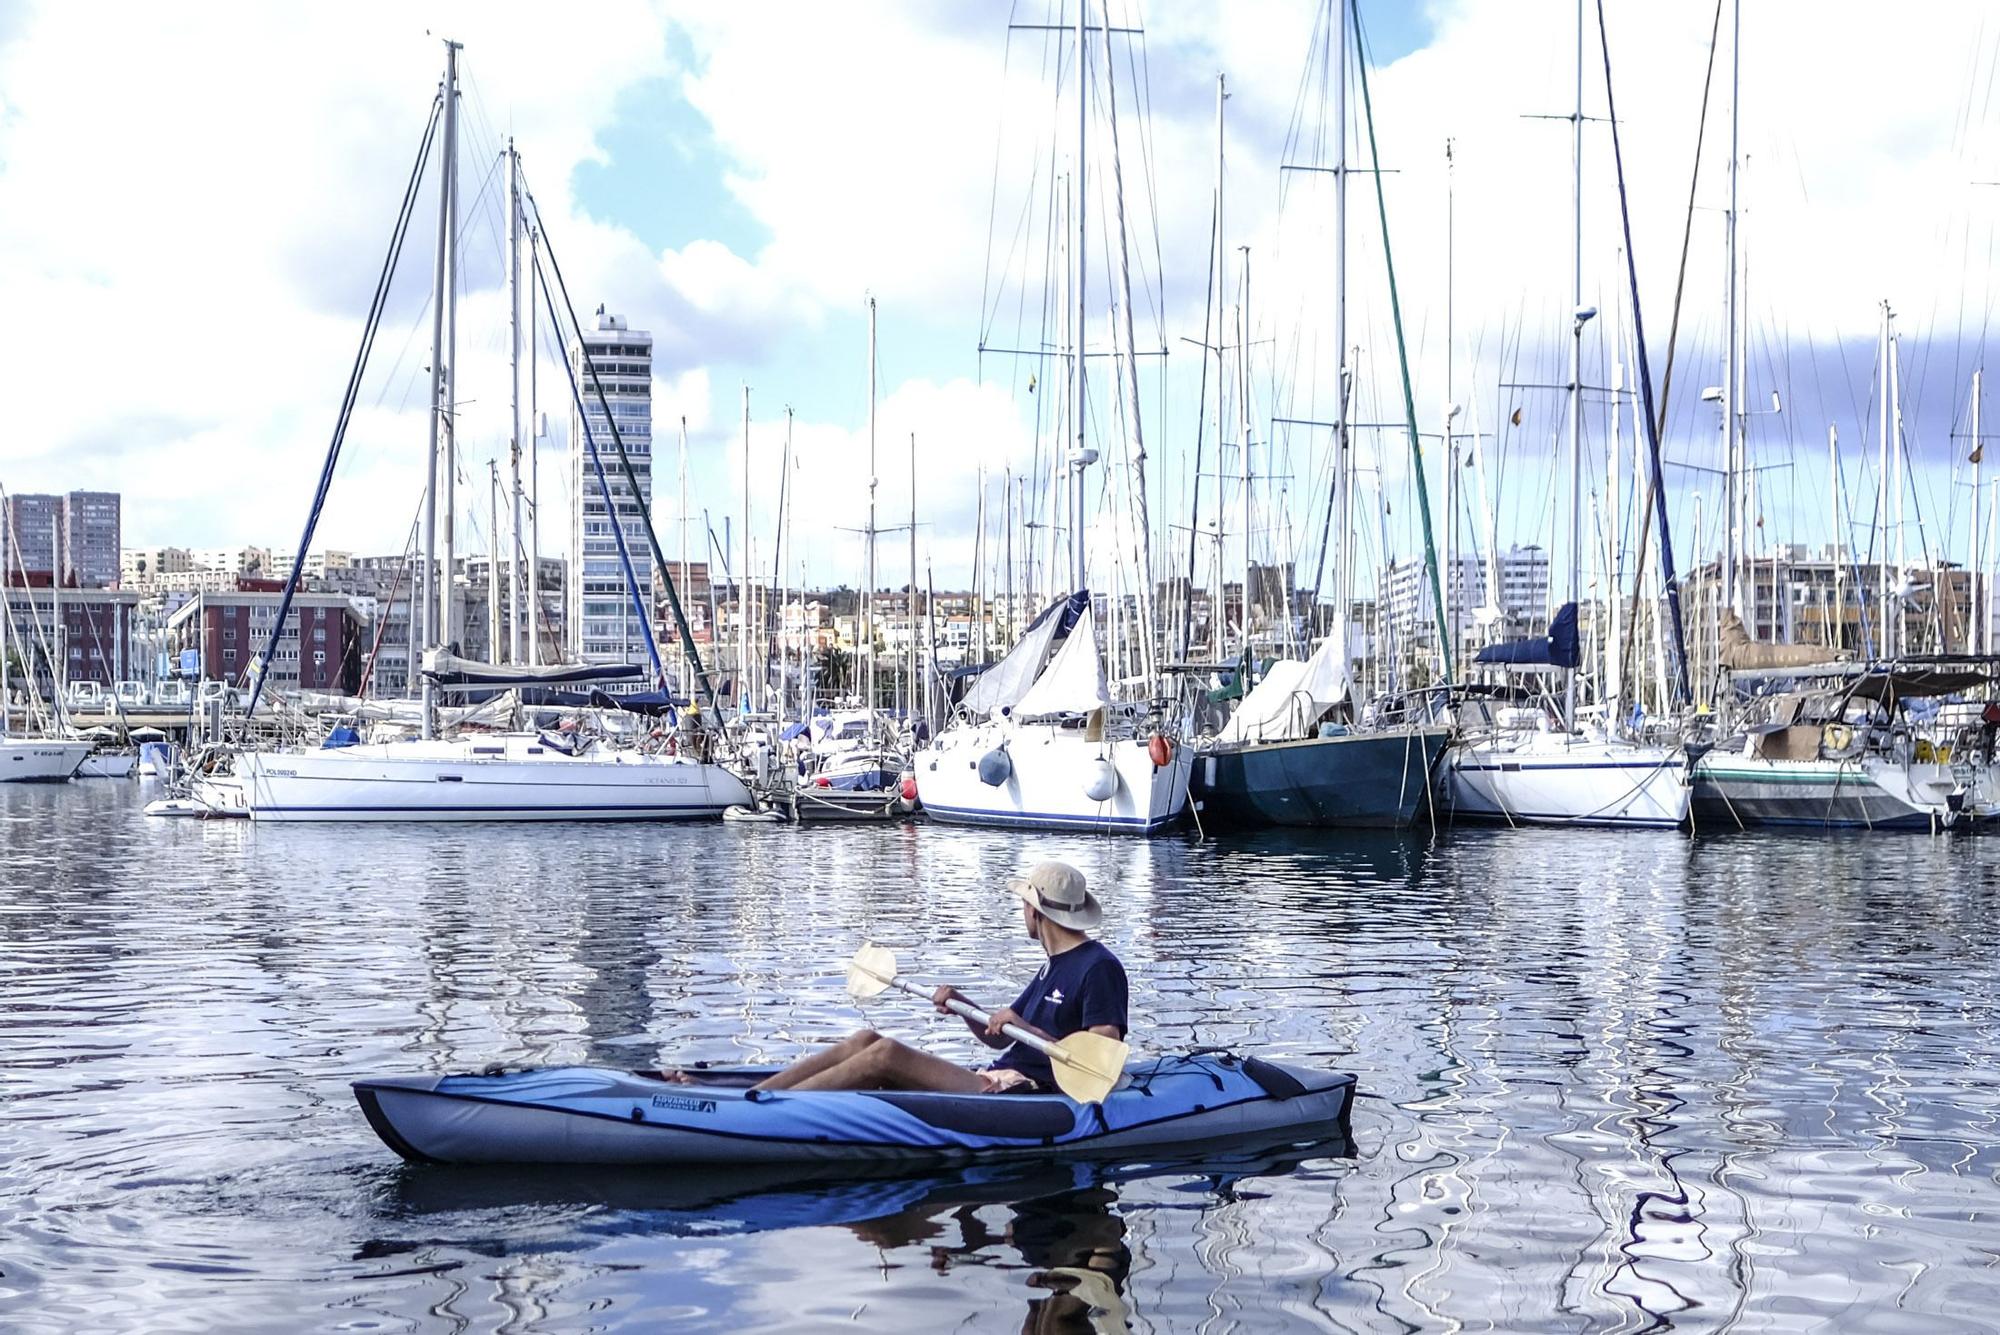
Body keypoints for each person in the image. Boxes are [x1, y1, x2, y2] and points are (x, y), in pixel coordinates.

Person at [753, 861, 1128, 1095]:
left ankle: (766, 1113)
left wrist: (1024, 1026)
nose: (1022, 910)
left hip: (1026, 1090)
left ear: (1036, 911)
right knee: (866, 1039)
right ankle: (757, 1094)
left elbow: (1100, 1062)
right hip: (998, 1074)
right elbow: (999, 1040)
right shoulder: (1053, 965)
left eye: (1025, 904)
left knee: (885, 1054)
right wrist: (965, 1007)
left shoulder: (1098, 967)